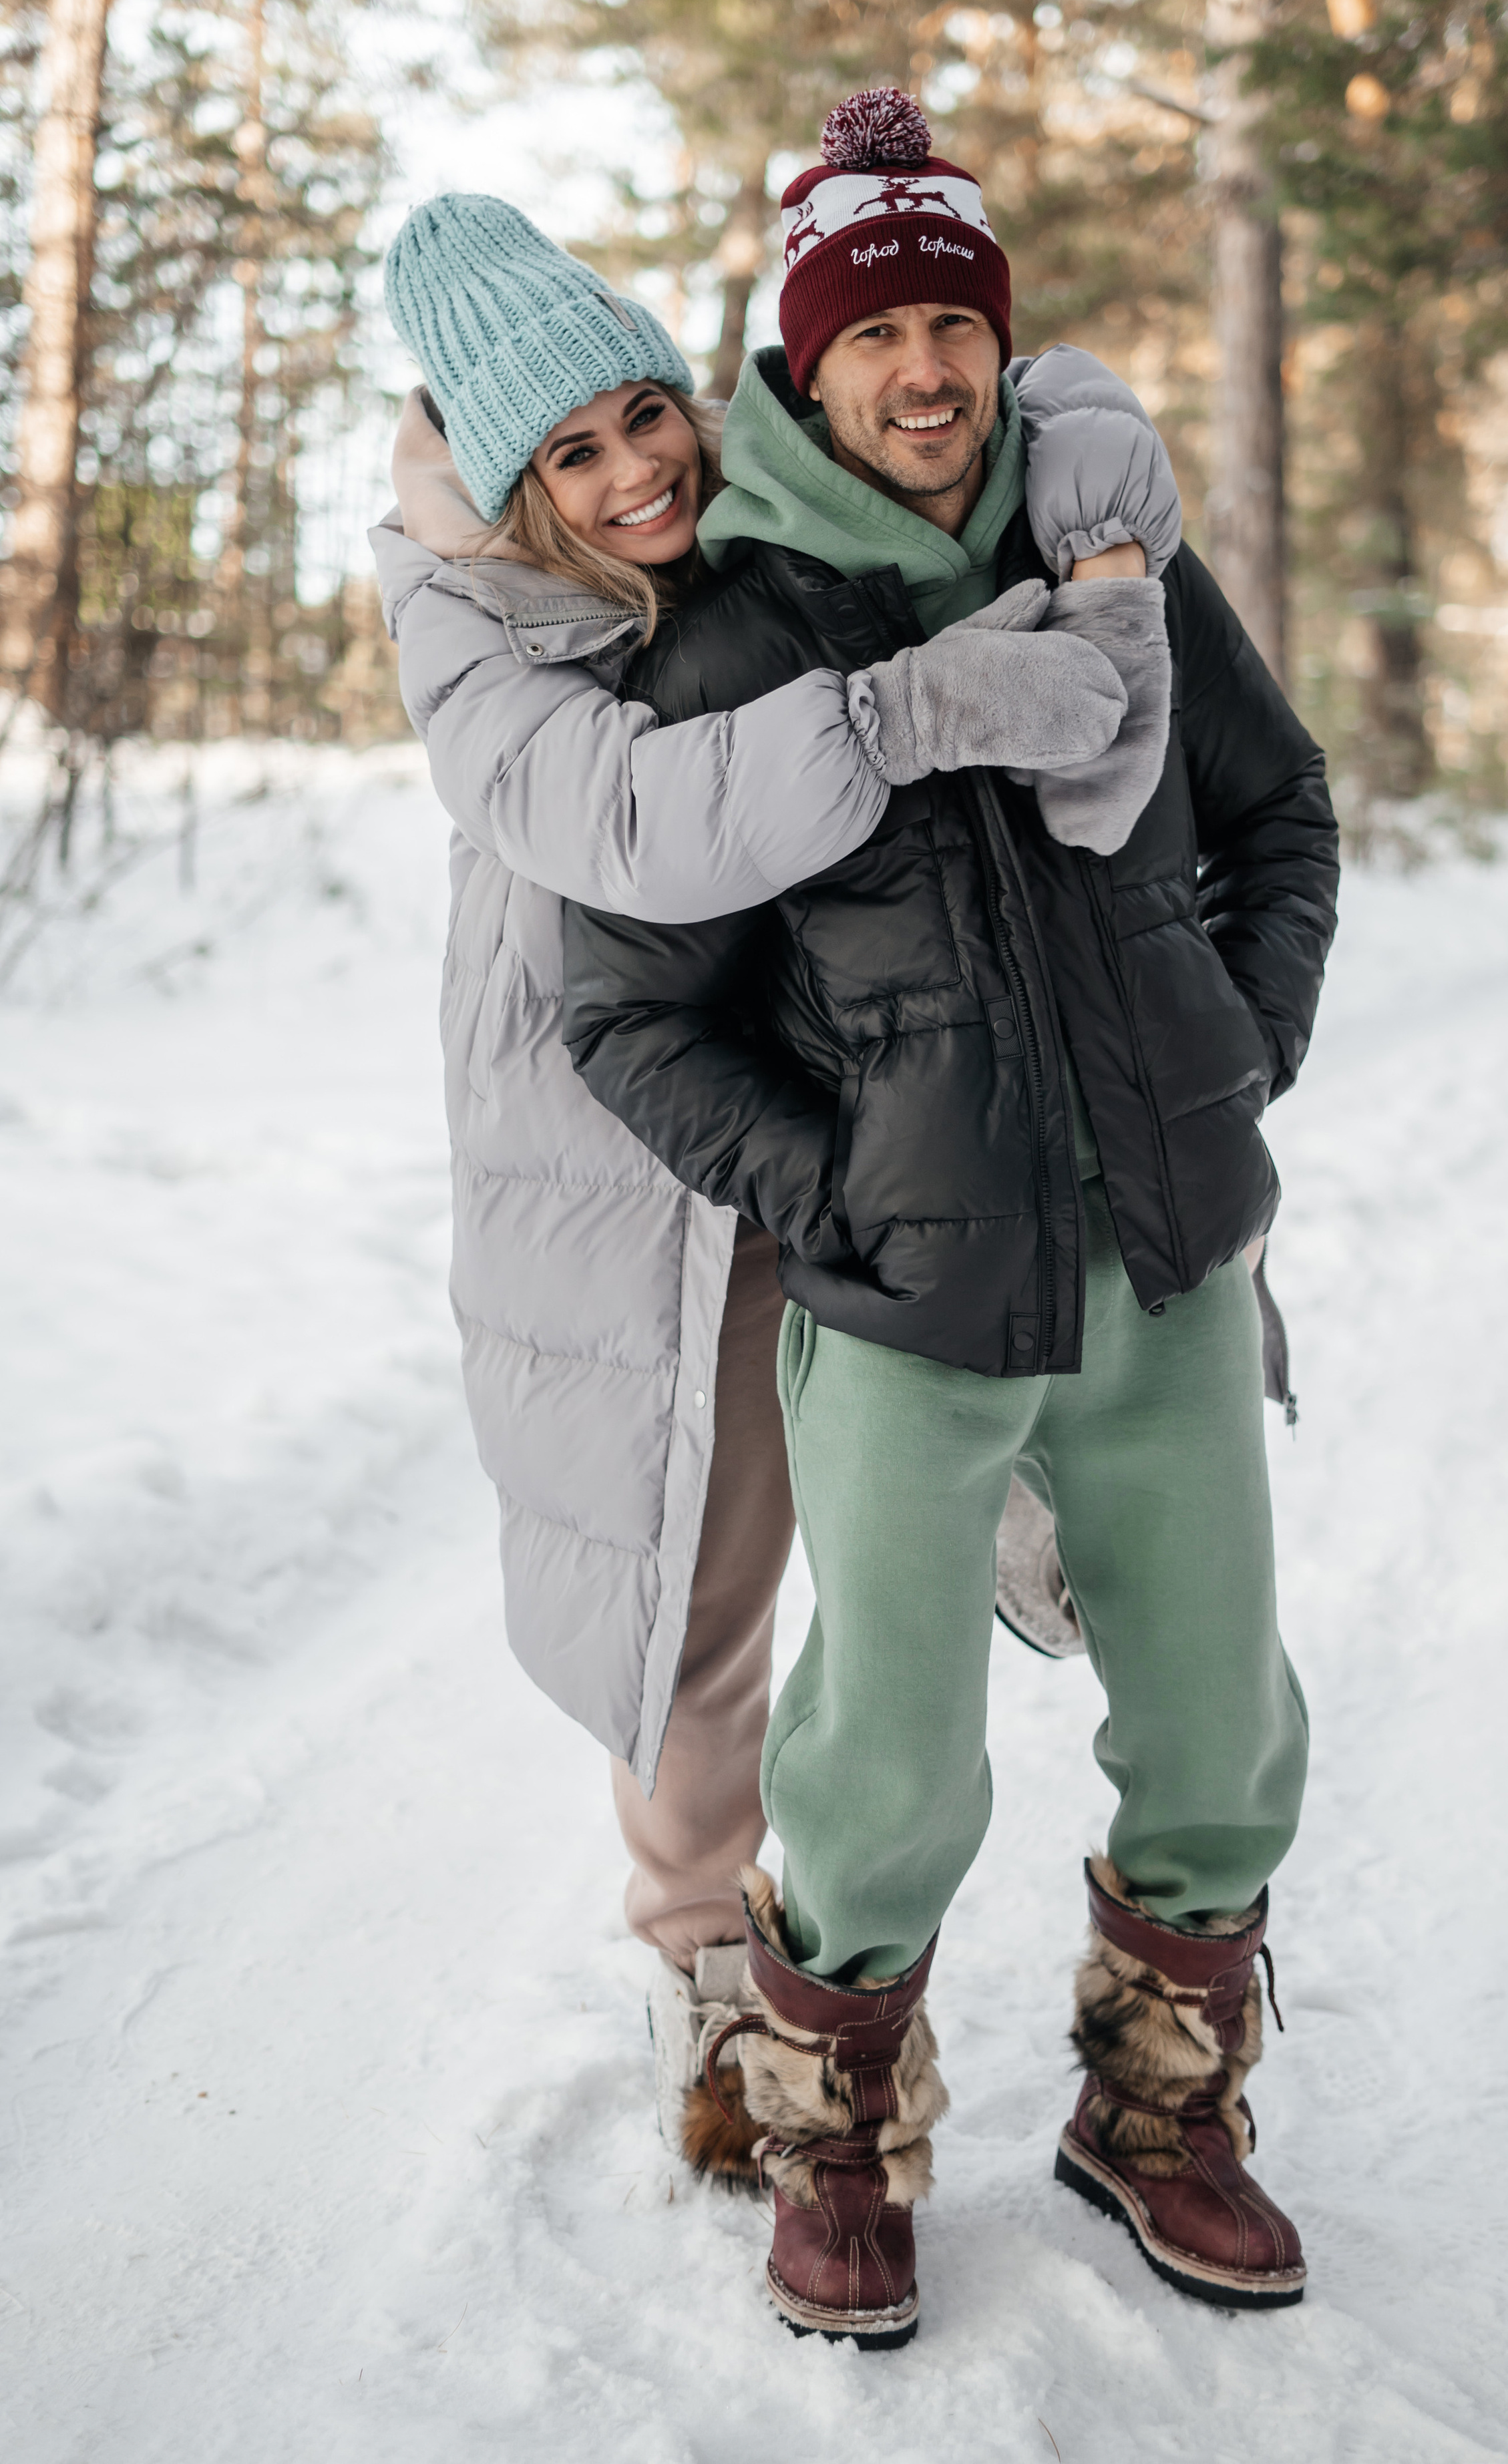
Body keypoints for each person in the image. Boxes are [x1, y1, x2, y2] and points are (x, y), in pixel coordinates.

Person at [560, 89, 1340, 2342]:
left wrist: (1231, 1046)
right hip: (910, 1308)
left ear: (1004, 349)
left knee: (1219, 1726)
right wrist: (842, 1196)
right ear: (801, 368)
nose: (927, 370)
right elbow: (633, 1015)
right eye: (876, 329)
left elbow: (1277, 813)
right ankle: (842, 2143)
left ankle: (1159, 2111)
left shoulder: (1115, 565)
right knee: (879, 1764)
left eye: (958, 326)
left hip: (1172, 1266)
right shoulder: (727, 643)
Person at [372, 182, 1187, 2179]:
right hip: (629, 1173)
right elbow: (634, 820)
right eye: (574, 453)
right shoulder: (465, 623)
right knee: (701, 1586)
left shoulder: (751, 509)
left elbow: (1004, 405)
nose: (639, 469)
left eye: (647, 414)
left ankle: (1009, 1501)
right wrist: (896, 716)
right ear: (509, 484)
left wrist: (1081, 446)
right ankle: (709, 1978)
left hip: (853, 1091)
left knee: (924, 1413)